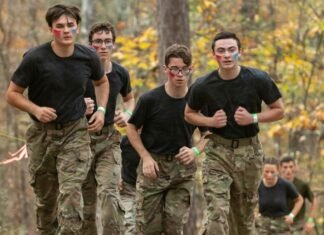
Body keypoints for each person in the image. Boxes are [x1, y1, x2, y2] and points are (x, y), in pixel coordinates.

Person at [5, 4, 109, 235]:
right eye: (60, 26)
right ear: (51, 29)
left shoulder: (88, 56)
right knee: (46, 202)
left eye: (70, 25)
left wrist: (101, 109)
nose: (66, 31)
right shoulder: (35, 58)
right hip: (42, 135)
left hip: (75, 133)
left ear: (77, 27)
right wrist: (36, 109)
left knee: (71, 195)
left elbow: (102, 82)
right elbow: (12, 94)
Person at [184, 31, 285, 235]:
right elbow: (189, 114)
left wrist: (253, 118)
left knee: (243, 220)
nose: (227, 55)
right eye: (221, 51)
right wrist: (210, 121)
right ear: (214, 55)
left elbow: (279, 110)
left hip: (249, 153)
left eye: (232, 50)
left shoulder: (258, 79)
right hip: (217, 152)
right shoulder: (203, 85)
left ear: (240, 52)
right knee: (217, 213)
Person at [126, 44, 208, 234]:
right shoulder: (150, 99)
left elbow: (208, 134)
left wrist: (195, 151)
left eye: (184, 69)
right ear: (165, 70)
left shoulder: (196, 102)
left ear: (190, 69)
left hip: (182, 170)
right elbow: (131, 127)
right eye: (174, 69)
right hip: (153, 168)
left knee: (174, 224)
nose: (179, 74)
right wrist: (145, 157)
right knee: (148, 228)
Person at [82, 21, 135, 234]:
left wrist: (128, 113)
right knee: (86, 205)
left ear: (113, 44)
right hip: (80, 139)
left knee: (110, 197)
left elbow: (130, 99)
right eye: (97, 42)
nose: (102, 46)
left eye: (107, 42)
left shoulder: (121, 73)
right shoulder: (81, 72)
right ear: (90, 44)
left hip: (109, 140)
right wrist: (79, 106)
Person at [256, 158, 304, 234]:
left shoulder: (285, 184)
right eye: (266, 172)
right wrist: (255, 214)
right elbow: (249, 201)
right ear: (262, 171)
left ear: (278, 171)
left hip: (281, 226)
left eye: (272, 172)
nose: (269, 175)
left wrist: (291, 216)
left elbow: (299, 200)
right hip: (262, 226)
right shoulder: (257, 185)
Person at [280, 156, 317, 234]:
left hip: (297, 227)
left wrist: (310, 220)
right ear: (280, 168)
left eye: (291, 167)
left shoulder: (302, 185)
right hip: (279, 226)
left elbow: (314, 201)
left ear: (295, 168)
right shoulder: (275, 184)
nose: (288, 170)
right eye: (285, 167)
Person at [119, 135, 141, 234]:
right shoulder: (125, 141)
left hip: (151, 191)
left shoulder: (156, 140)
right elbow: (115, 158)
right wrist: (117, 176)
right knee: (129, 224)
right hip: (128, 189)